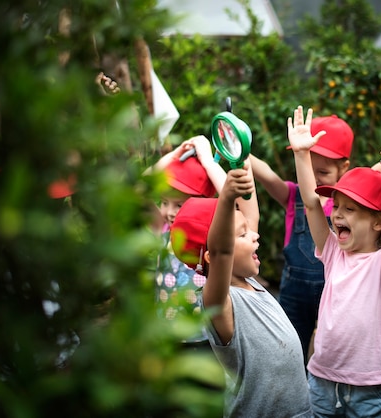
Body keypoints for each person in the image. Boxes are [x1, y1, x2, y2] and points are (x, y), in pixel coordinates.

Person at [288, 105, 381, 417]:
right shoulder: (333, 250)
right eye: (336, 206)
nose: (336, 214)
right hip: (321, 382)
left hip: (370, 389)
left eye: (350, 209)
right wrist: (300, 154)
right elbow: (311, 203)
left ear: (378, 222)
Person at [170, 161, 312, 418]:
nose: (255, 236)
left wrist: (241, 159)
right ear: (213, 255)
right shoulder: (219, 303)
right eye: (243, 234)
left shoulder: (248, 279)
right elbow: (222, 250)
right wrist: (225, 196)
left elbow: (249, 211)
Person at [250, 113, 354, 363]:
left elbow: (373, 174)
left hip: (334, 291)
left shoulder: (348, 206)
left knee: (333, 352)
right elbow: (266, 173)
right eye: (309, 166)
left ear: (344, 168)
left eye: (324, 171)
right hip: (294, 293)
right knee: (289, 349)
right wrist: (240, 146)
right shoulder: (292, 195)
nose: (315, 177)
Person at [145, 136, 227, 344]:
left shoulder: (213, 239)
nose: (169, 212)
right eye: (164, 203)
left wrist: (208, 162)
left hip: (207, 341)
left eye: (179, 205)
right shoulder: (163, 231)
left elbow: (232, 194)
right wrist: (174, 155)